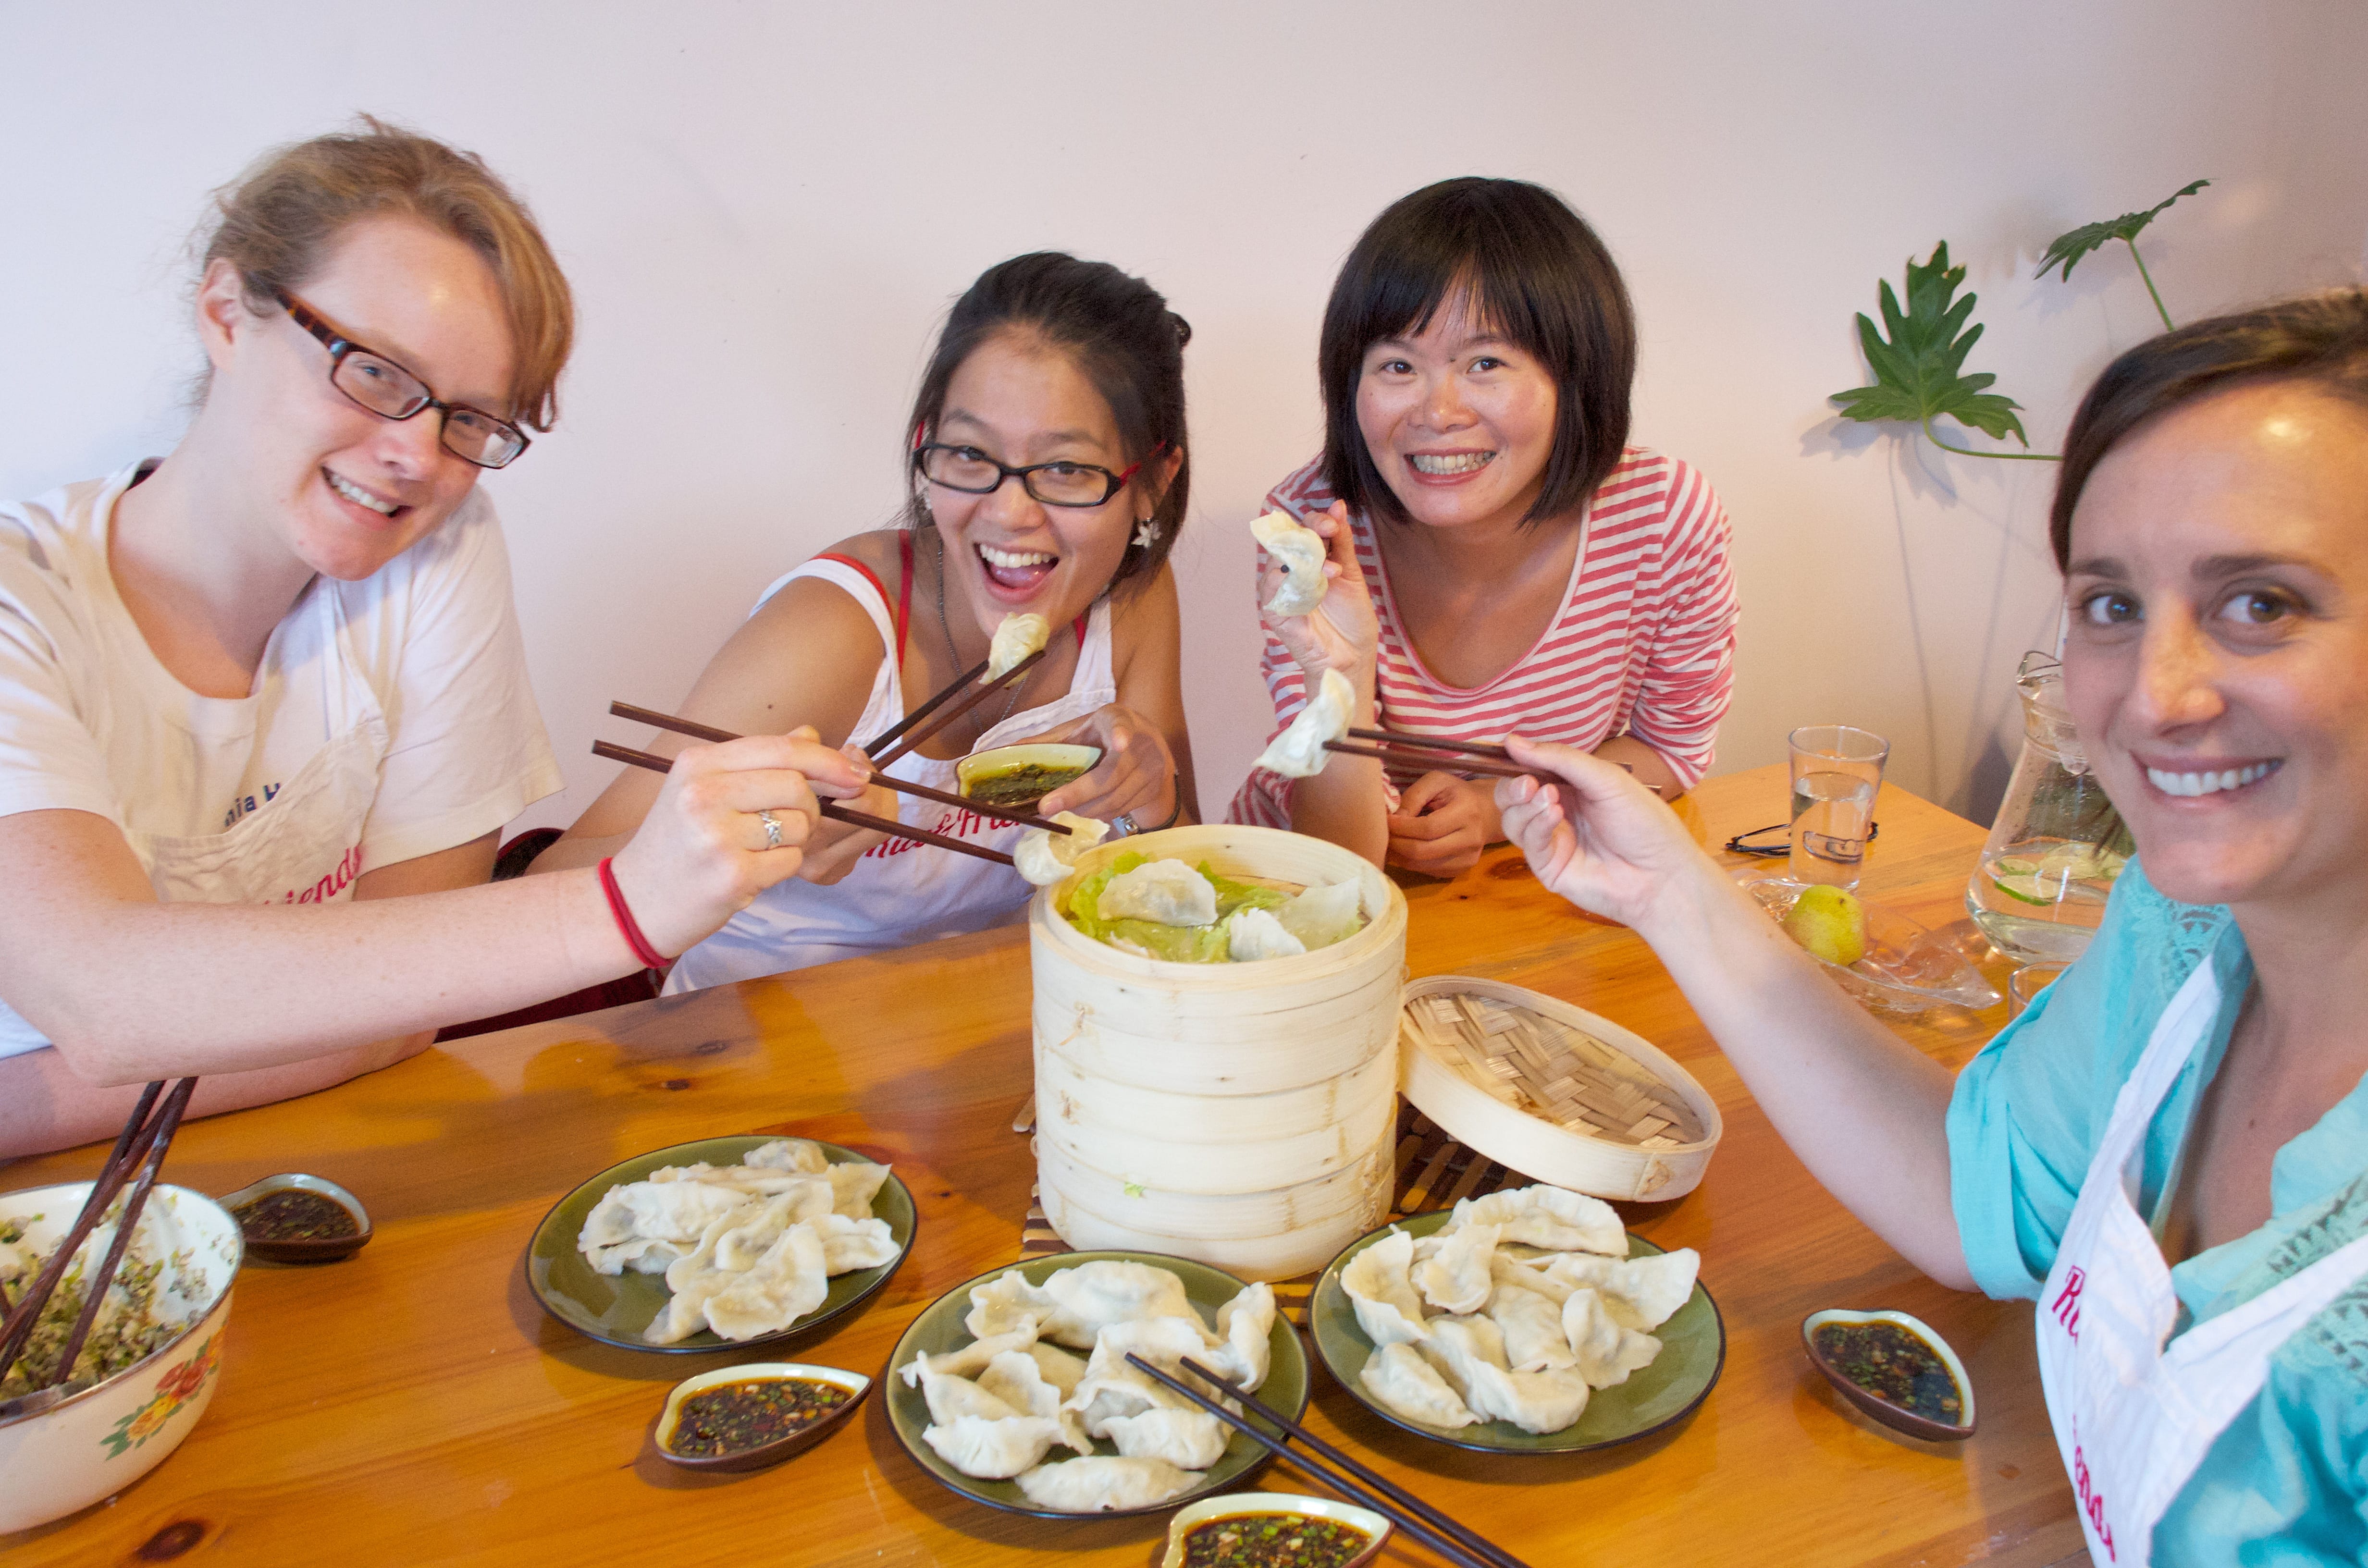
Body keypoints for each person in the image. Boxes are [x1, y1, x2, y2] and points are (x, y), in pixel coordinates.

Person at [1494, 290, 2368, 1563]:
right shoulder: (2185, 936)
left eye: (2263, 605)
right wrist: (1669, 893)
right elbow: (1980, 1195)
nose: (2158, 696)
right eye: (2112, 606)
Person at [0, 122, 864, 1160]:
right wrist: (634, 903)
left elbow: (407, 1013)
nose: (415, 455)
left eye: (468, 421)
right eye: (373, 373)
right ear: (227, 312)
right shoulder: (27, 605)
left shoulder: (430, 546)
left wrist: (366, 1007)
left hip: (290, 1150)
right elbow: (106, 998)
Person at [535, 252, 1195, 988]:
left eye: (1068, 470)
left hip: (980, 1040)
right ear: (925, 445)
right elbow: (543, 895)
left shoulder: (1130, 598)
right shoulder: (833, 634)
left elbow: (1177, 881)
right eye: (971, 455)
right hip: (743, 1046)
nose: (1011, 513)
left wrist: (1152, 799)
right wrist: (762, 830)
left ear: (1153, 485)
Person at [1229, 177, 1738, 876]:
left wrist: (1502, 806)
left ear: (1578, 376)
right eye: (1398, 365)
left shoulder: (1661, 517)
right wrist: (1343, 674)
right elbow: (1336, 861)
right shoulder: (1312, 532)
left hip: (1527, 891)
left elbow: (1669, 752)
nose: (1438, 411)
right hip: (1303, 889)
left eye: (1486, 363)